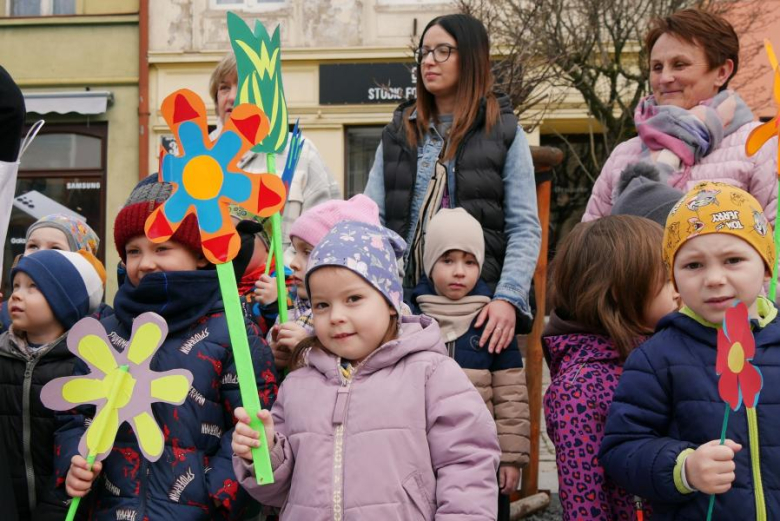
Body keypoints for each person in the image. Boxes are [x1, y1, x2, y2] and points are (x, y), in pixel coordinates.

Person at [231, 220, 500, 519]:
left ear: (390, 303)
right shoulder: (297, 384)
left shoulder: (431, 374)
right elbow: (277, 493)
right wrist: (264, 454)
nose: (336, 316)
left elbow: (468, 466)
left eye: (353, 299)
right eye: (321, 305)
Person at [54, 176, 279, 520]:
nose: (145, 263)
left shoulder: (231, 330)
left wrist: (217, 493)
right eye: (133, 251)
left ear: (201, 256)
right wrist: (74, 461)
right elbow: (75, 413)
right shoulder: (106, 330)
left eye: (161, 248)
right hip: (112, 510)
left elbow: (254, 417)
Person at [599, 182, 780, 519]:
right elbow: (621, 448)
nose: (713, 278)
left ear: (766, 265)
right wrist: (684, 469)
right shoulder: (657, 358)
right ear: (674, 276)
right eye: (693, 265)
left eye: (733, 260)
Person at [364, 13, 541, 349]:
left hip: (480, 310)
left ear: (472, 57)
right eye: (424, 52)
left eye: (443, 51)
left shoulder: (504, 132)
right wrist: (378, 295)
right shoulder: (397, 134)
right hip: (405, 307)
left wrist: (507, 297)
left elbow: (524, 228)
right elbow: (372, 224)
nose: (429, 61)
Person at [583, 8, 778, 222]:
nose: (665, 78)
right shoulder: (623, 155)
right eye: (657, 67)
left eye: (679, 65)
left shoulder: (761, 147)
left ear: (722, 72)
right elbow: (592, 243)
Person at [543, 215, 679, 520]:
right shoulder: (578, 388)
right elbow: (583, 499)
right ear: (621, 290)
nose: (679, 289)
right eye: (667, 278)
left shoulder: (666, 356)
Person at [409, 208, 529, 520]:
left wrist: (511, 458)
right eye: (448, 260)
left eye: (469, 261)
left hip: (480, 453)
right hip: (422, 450)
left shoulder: (492, 320)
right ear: (429, 262)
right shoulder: (410, 317)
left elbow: (511, 394)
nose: (459, 271)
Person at [0, 249, 105, 521]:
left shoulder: (83, 365)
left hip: (62, 504)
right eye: (16, 285)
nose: (17, 294)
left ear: (65, 302)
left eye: (34, 287)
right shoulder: (2, 356)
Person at [209, 52, 341, 254]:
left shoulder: (300, 154)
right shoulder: (199, 158)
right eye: (224, 88)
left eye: (243, 87)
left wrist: (287, 283)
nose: (232, 97)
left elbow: (329, 236)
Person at [253, 194, 382, 371]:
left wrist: (308, 350)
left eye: (307, 252)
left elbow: (360, 370)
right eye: (294, 251)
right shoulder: (295, 308)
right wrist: (275, 356)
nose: (293, 263)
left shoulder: (372, 314)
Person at [0, 213, 105, 334]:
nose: (39, 253)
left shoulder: (103, 323)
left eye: (55, 248)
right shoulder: (5, 314)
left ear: (80, 264)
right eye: (33, 246)